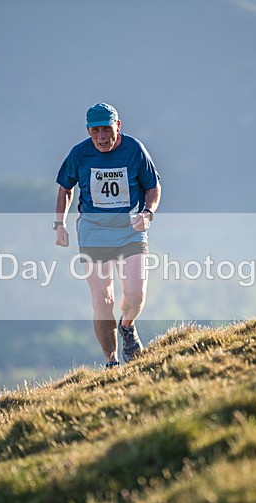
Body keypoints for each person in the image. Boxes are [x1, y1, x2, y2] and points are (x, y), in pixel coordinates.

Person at [54, 103, 161, 368]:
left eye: (107, 130)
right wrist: (60, 224)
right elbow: (65, 188)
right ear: (88, 131)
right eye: (95, 131)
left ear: (118, 126)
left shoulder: (134, 150)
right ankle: (111, 362)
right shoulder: (79, 154)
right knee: (103, 299)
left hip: (130, 230)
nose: (101, 137)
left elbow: (153, 186)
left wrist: (147, 212)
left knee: (135, 294)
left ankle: (127, 327)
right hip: (94, 232)